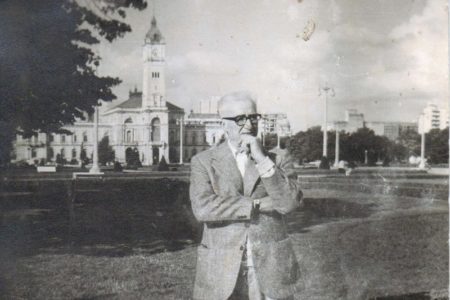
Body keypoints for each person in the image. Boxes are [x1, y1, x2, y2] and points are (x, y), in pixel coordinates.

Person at [190, 91, 303, 300]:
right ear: (224, 124)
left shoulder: (277, 158)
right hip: (220, 268)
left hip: (271, 267)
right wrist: (257, 205)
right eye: (241, 118)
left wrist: (261, 158)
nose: (250, 124)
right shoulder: (203, 161)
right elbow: (203, 208)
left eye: (253, 117)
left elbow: (288, 203)